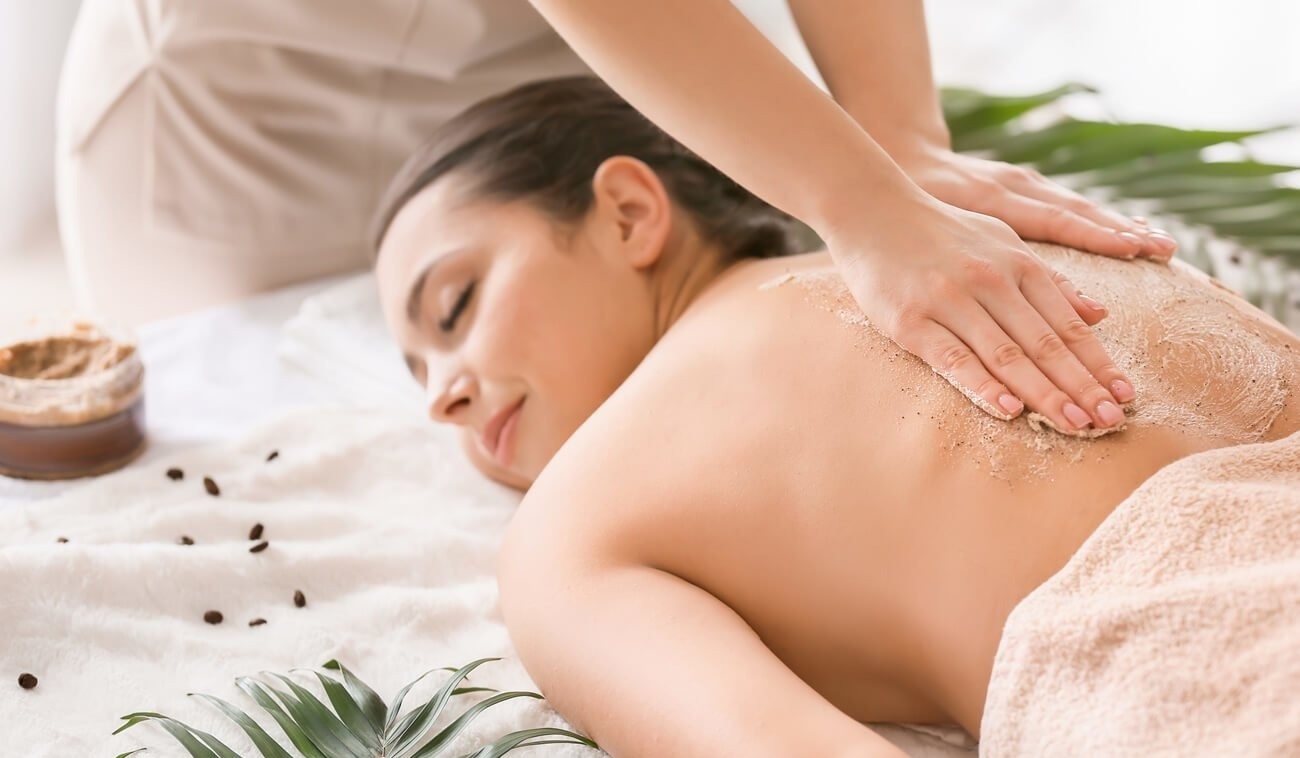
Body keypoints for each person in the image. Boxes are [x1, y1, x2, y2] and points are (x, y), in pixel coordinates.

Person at [369, 76, 1300, 758]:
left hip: (1207, 671)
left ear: (629, 212)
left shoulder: (568, 536)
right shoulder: (992, 242)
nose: (441, 398)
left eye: (455, 306)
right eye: (417, 375)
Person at [59, 0, 1172, 434]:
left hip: (544, 46)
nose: (444, 399)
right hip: (246, 103)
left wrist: (900, 146)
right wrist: (864, 203)